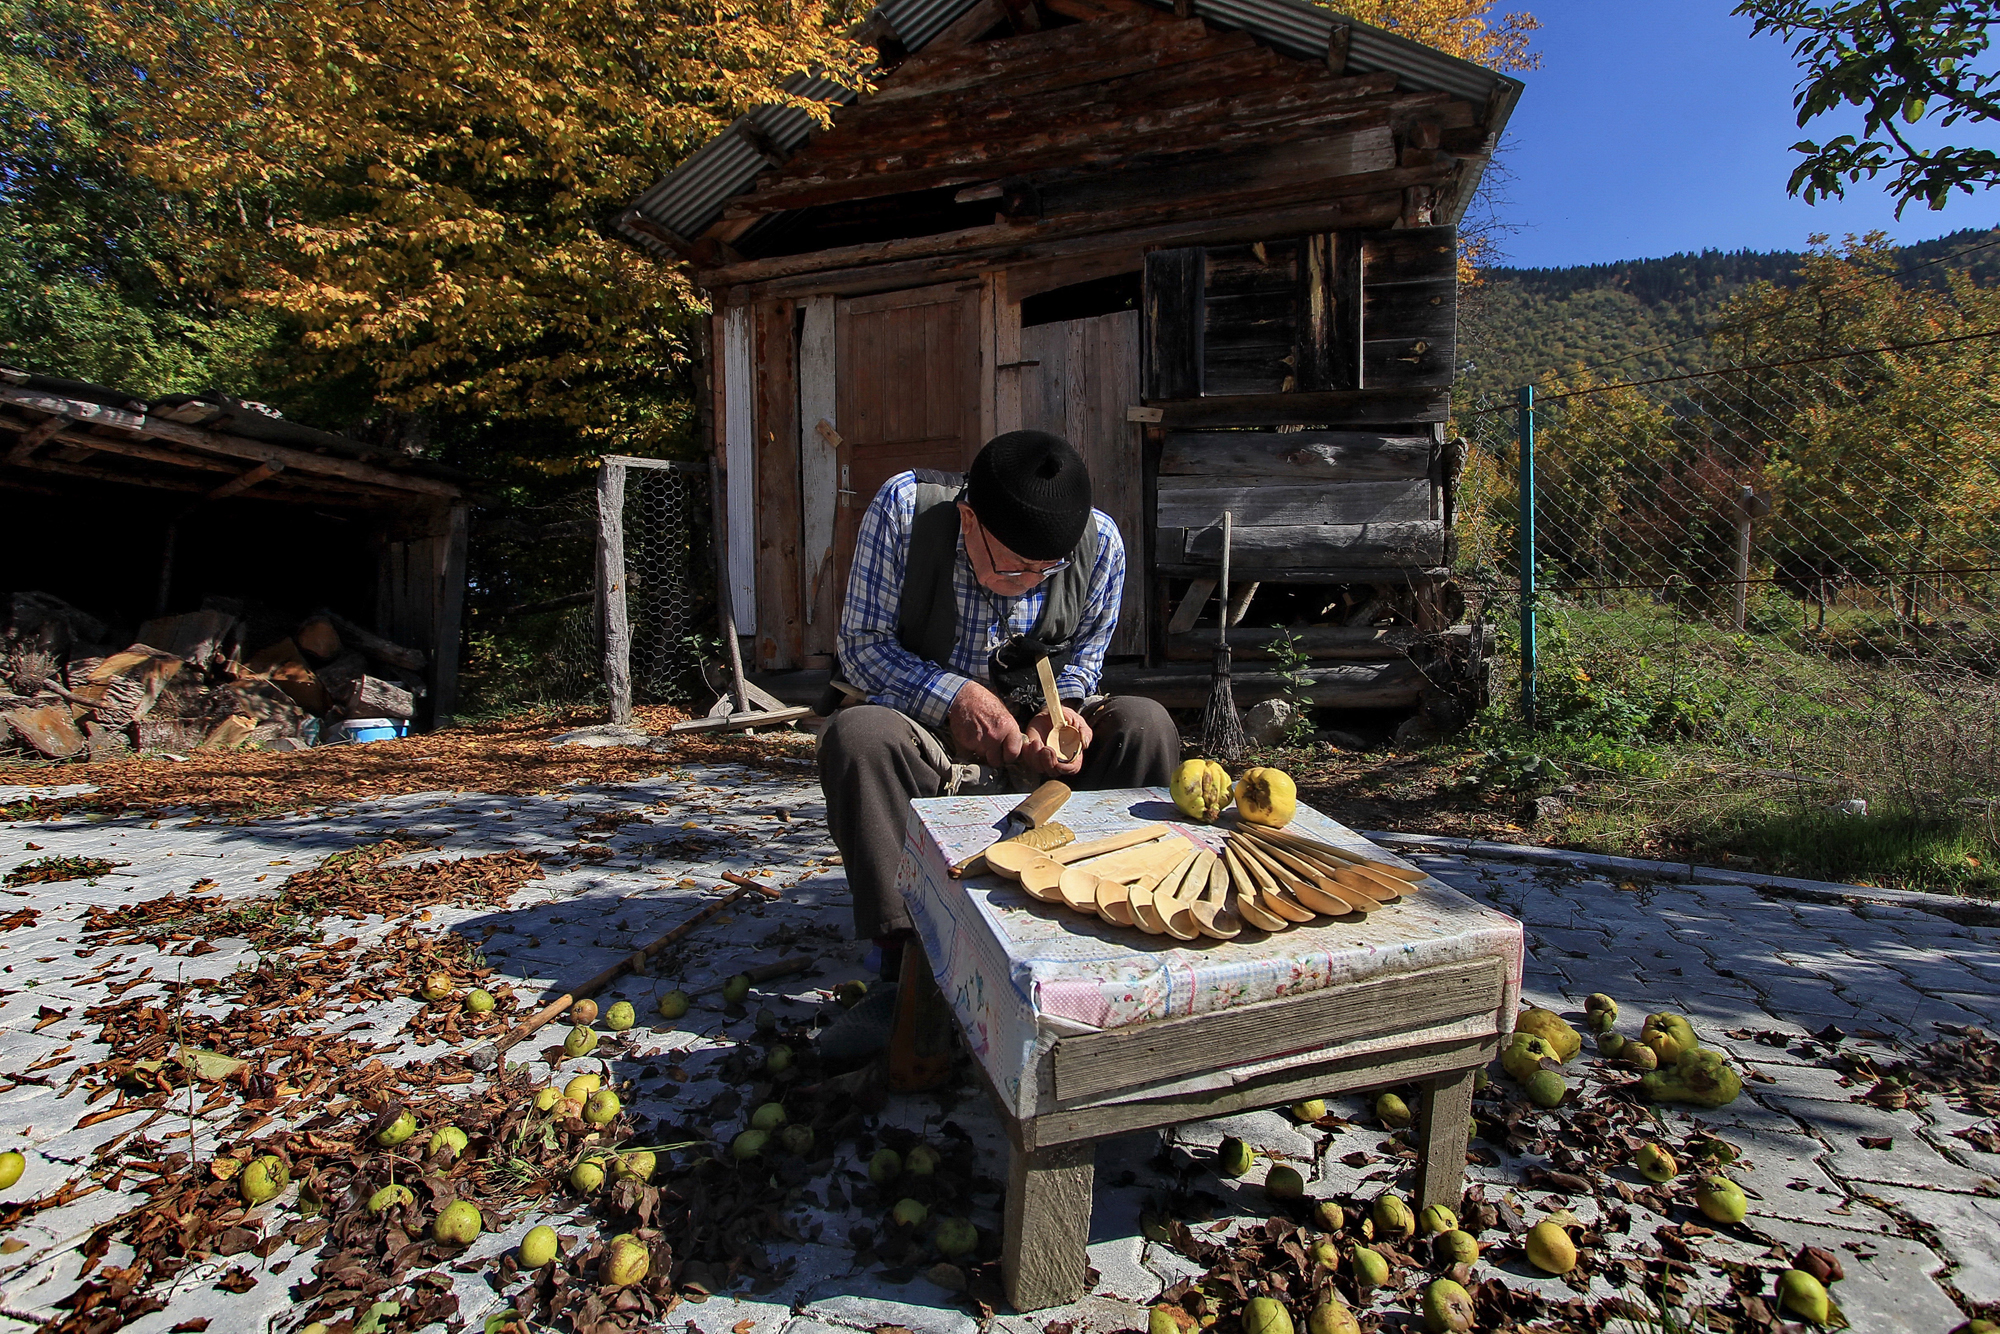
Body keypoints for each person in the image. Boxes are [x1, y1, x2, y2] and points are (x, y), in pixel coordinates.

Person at [817, 429, 1180, 983]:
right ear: (969, 520)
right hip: (927, 731)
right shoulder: (906, 512)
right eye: (1015, 568)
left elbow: (1084, 657)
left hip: (1037, 738)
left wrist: (1063, 716)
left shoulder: (1100, 542)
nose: (1032, 583)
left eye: (1047, 571)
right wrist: (956, 696)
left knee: (1145, 725)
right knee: (859, 737)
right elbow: (863, 646)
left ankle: (1124, 921)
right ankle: (908, 959)